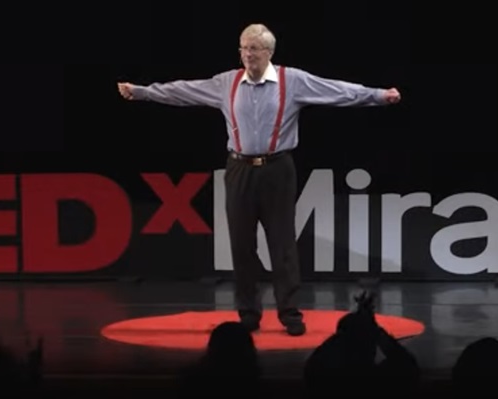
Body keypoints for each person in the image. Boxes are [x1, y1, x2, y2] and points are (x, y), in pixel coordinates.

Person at [117, 23, 402, 336]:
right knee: (241, 244)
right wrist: (143, 93)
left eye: (254, 49)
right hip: (239, 169)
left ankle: (290, 313)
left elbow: (334, 90)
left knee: (282, 245)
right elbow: (183, 90)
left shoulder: (290, 80)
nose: (247, 54)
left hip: (277, 169)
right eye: (243, 48)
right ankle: (248, 314)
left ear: (269, 52)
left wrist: (377, 95)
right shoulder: (227, 82)